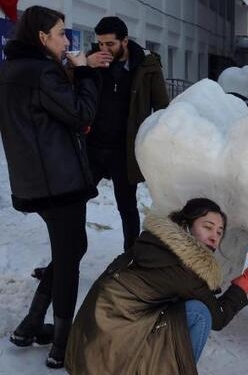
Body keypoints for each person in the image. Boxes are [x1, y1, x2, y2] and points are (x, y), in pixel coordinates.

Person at [65, 198, 248, 374]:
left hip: (87, 347)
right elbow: (218, 317)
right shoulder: (185, 269)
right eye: (208, 227)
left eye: (220, 232)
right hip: (109, 358)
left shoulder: (153, 241)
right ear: (186, 226)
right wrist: (247, 282)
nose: (214, 236)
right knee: (199, 313)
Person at [0, 5, 101, 368]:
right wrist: (85, 73)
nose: (66, 39)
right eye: (60, 32)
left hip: (35, 180)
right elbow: (81, 113)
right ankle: (61, 343)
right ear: (43, 38)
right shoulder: (44, 73)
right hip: (59, 182)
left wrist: (70, 72)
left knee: (72, 246)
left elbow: (42, 116)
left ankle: (30, 325)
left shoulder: (11, 69)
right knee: (71, 255)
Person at [86, 16, 169, 251]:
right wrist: (84, 66)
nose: (104, 49)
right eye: (100, 44)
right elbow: (66, 83)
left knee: (127, 206)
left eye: (110, 44)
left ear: (124, 41)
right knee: (73, 204)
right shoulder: (90, 61)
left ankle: (131, 258)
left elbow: (162, 108)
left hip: (124, 150)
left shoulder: (147, 66)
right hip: (93, 148)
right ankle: (61, 263)